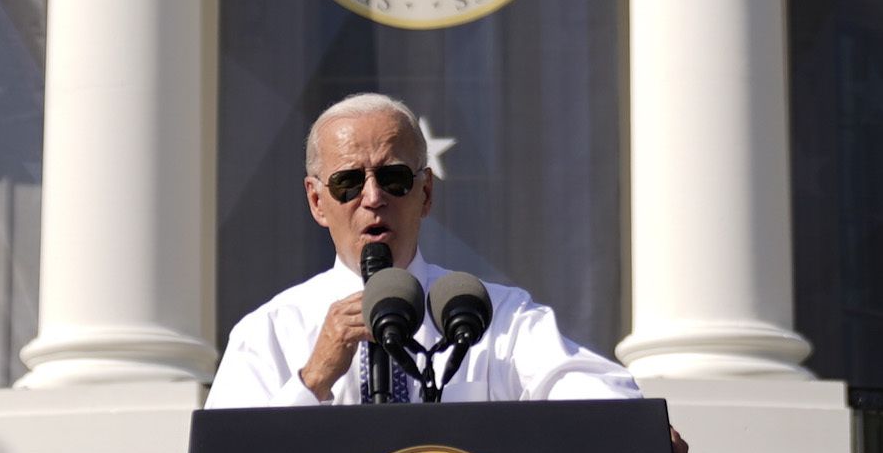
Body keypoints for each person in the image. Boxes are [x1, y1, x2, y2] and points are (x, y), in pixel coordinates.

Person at [205, 93, 644, 413]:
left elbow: (585, 386)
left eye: (394, 178)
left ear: (426, 193)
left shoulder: (489, 314)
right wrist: (314, 378)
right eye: (348, 183)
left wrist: (632, 428)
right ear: (318, 201)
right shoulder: (271, 332)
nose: (373, 197)